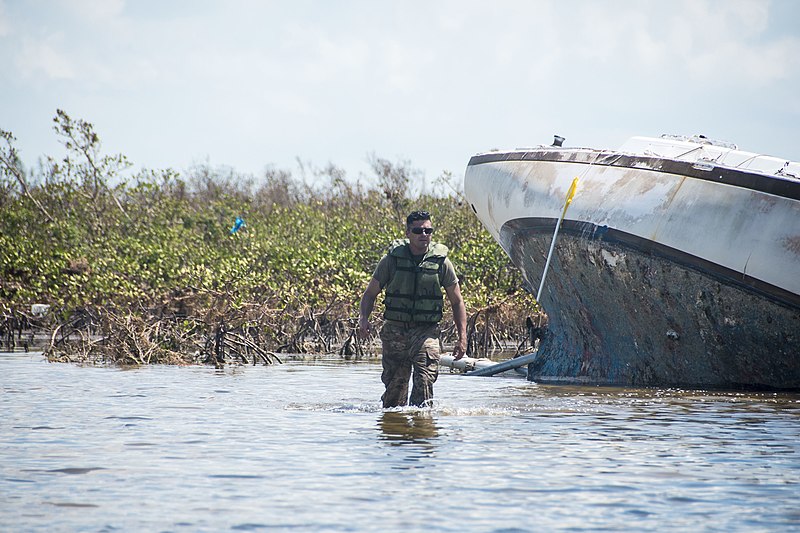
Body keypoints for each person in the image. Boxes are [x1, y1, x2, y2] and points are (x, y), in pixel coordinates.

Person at [358, 210, 467, 408]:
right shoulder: (391, 261)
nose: (424, 235)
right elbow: (370, 294)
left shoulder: (442, 263)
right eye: (418, 231)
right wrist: (363, 319)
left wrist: (462, 337)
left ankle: (422, 434)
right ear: (408, 233)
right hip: (395, 331)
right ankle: (395, 434)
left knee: (424, 382)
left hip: (426, 331)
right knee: (394, 393)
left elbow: (457, 302)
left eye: (428, 230)